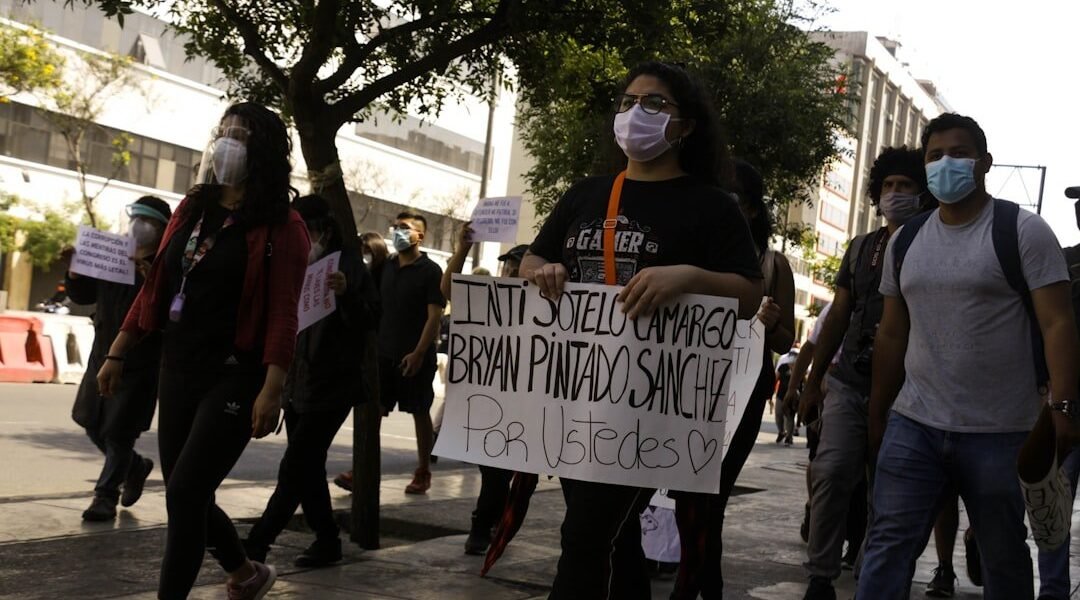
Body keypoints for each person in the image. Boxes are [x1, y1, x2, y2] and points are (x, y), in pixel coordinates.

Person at [522, 61, 762, 600]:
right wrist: (544, 271)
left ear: (686, 126)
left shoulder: (710, 206)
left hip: (649, 404)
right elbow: (533, 258)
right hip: (577, 393)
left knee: (584, 534)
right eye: (628, 101)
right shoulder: (587, 194)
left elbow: (748, 294)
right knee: (612, 535)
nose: (636, 113)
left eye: (654, 104)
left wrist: (690, 277)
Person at [860, 113, 1080, 600]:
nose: (945, 164)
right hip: (914, 425)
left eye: (958, 154)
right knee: (888, 545)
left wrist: (1062, 409)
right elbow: (893, 334)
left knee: (1003, 553)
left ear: (984, 163)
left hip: (1001, 434)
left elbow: (1057, 323)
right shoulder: (906, 240)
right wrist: (879, 413)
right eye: (935, 156)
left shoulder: (1024, 231)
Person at [97, 102, 310, 600]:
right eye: (225, 131)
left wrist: (272, 388)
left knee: (188, 492)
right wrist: (117, 352)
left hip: (236, 375)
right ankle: (244, 572)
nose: (229, 142)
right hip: (179, 367)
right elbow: (156, 291)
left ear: (264, 151)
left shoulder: (284, 225)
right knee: (184, 494)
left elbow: (284, 311)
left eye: (242, 134)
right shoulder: (193, 208)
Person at [799, 146, 934, 600]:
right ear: (876, 194)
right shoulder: (860, 247)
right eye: (888, 186)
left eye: (906, 186)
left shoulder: (929, 243)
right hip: (847, 383)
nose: (895, 194)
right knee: (832, 470)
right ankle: (821, 574)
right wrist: (813, 381)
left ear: (922, 193)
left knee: (889, 488)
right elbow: (837, 315)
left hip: (905, 390)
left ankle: (872, 574)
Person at [670, 158, 795, 599]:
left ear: (752, 210)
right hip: (688, 385)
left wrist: (768, 321)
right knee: (687, 494)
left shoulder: (772, 265)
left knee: (712, 496)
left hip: (741, 393)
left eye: (731, 198)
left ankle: (697, 587)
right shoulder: (688, 257)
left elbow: (785, 340)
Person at [243, 194, 379, 568]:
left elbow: (369, 321)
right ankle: (327, 540)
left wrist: (347, 294)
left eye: (309, 231)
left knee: (295, 465)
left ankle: (258, 543)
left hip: (332, 384)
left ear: (324, 230)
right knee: (308, 467)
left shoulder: (348, 265)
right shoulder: (292, 265)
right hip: (296, 383)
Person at [68, 196, 171, 522]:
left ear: (162, 229)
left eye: (149, 222)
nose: (139, 227)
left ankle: (105, 496)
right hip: (102, 354)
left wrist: (153, 276)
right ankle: (135, 467)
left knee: (119, 432)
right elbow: (84, 295)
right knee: (92, 423)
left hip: (139, 362)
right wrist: (74, 271)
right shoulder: (113, 256)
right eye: (136, 219)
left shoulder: (167, 266)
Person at [439, 227, 527, 554]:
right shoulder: (489, 297)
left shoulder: (546, 303)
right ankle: (486, 524)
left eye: (519, 265)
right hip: (489, 400)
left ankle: (483, 526)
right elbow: (448, 289)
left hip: (523, 403)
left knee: (499, 472)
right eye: (509, 265)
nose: (512, 270)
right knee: (495, 471)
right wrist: (463, 249)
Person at [378, 209, 446, 494]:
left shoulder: (431, 271)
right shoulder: (386, 266)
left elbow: (434, 317)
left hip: (416, 357)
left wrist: (419, 352)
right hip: (383, 354)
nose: (398, 231)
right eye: (395, 226)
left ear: (420, 235)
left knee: (419, 412)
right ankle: (363, 469)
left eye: (405, 227)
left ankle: (423, 471)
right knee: (373, 411)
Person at [333, 230, 389, 493]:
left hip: (387, 351)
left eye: (367, 251)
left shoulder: (381, 277)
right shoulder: (354, 274)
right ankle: (359, 473)